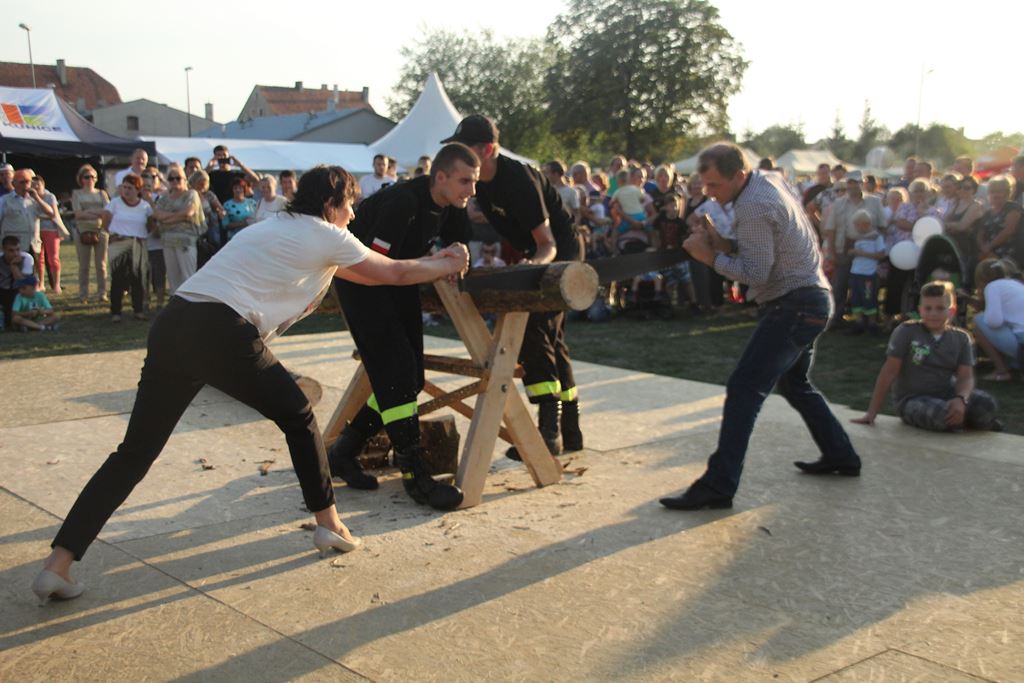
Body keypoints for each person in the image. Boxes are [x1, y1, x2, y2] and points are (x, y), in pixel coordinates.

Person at [31, 164, 470, 606]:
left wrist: (434, 264)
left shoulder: (276, 224)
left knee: (134, 453)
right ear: (331, 203)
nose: (354, 215)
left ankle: (58, 565)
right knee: (299, 415)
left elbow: (367, 273)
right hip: (220, 327)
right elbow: (391, 273)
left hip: (174, 323)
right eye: (350, 205)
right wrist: (447, 262)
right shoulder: (324, 232)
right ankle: (330, 526)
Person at [661, 143, 861, 511]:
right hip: (809, 299)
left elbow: (756, 272)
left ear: (738, 175)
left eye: (715, 186)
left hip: (795, 305)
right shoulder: (765, 181)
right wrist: (724, 244)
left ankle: (719, 485)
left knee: (744, 388)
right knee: (795, 384)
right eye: (704, 186)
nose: (709, 194)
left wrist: (709, 256)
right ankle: (840, 454)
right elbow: (763, 249)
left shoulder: (753, 205)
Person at [330, 144, 477, 509]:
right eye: (465, 181)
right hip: (364, 286)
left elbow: (449, 249)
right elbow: (378, 264)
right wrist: (438, 262)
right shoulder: (403, 202)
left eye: (473, 182)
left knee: (409, 380)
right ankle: (417, 478)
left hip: (398, 285)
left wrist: (454, 252)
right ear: (440, 177)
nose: (471, 191)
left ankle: (343, 452)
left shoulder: (448, 205)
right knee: (396, 372)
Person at [442, 114, 585, 457]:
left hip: (559, 253)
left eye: (465, 147)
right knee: (553, 337)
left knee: (535, 325)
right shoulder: (480, 183)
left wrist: (532, 268)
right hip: (535, 253)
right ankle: (571, 429)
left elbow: (547, 242)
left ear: (487, 149)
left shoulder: (518, 179)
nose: (458, 152)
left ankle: (547, 431)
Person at [852, 281, 999, 432]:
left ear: (952, 311)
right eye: (928, 308)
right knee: (940, 415)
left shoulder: (961, 338)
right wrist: (871, 413)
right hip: (913, 399)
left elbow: (965, 377)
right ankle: (968, 422)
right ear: (920, 310)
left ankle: (964, 420)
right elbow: (889, 371)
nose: (933, 314)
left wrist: (961, 399)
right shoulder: (906, 332)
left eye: (940, 308)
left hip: (948, 393)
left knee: (986, 404)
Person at [102, 174, 153, 322]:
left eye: (130, 188)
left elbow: (150, 224)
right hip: (118, 243)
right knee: (118, 277)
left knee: (138, 277)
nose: (126, 191)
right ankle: (116, 311)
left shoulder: (145, 206)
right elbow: (105, 218)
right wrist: (110, 233)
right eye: (124, 187)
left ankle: (138, 310)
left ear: (138, 189)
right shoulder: (115, 203)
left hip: (138, 243)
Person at [152, 163, 205, 293]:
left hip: (186, 241)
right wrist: (178, 216)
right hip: (167, 241)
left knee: (188, 275)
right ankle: (175, 303)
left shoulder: (191, 194)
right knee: (172, 276)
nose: (174, 181)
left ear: (184, 180)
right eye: (171, 178)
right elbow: (157, 214)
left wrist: (166, 218)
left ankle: (189, 303)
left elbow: (188, 213)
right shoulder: (164, 197)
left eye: (178, 178)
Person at [971, 259, 1024, 382]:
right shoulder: (1016, 284)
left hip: (1021, 343)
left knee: (978, 320)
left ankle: (1002, 371)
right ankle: (1013, 364)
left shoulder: (992, 286)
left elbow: (994, 321)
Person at [0, 169, 56, 272]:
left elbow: (51, 213)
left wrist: (38, 198)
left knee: (30, 276)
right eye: (22, 182)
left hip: (32, 244)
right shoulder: (5, 200)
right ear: (14, 183)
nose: (26, 185)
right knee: (11, 274)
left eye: (28, 182)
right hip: (14, 246)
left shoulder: (34, 200)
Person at [71, 164, 110, 303]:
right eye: (87, 177)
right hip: (82, 232)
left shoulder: (102, 194)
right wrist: (97, 213)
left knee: (101, 265)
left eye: (93, 177)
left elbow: (107, 212)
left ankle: (102, 293)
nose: (90, 179)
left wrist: (88, 212)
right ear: (81, 179)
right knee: (84, 266)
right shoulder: (76, 194)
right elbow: (78, 214)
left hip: (101, 231)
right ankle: (83, 294)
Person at [846, 209, 886, 335]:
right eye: (856, 225)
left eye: (860, 224)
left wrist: (862, 253)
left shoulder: (876, 237)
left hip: (868, 274)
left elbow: (881, 254)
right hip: (855, 272)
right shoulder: (856, 237)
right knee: (856, 298)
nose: (858, 227)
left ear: (867, 223)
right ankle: (859, 323)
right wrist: (851, 253)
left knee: (869, 298)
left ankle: (872, 324)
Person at [30, 174, 69, 294]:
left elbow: (53, 214)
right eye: (34, 186)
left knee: (53, 259)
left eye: (38, 185)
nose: (36, 188)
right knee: (39, 259)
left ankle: (56, 284)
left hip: (51, 230)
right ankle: (41, 284)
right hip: (36, 231)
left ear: (43, 185)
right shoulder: (28, 197)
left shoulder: (49, 196)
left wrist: (38, 200)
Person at [976, 175, 1022, 266]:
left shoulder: (1013, 208)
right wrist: (984, 248)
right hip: (988, 254)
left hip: (1010, 255)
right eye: (992, 191)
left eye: (999, 191)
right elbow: (980, 232)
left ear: (1008, 192)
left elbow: (1009, 230)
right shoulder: (987, 213)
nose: (995, 195)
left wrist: (989, 247)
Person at [1, 235, 34, 328]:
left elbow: (25, 284)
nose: (15, 254)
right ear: (3, 250)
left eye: (17, 249)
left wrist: (14, 267)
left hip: (19, 292)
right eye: (11, 250)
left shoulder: (26, 258)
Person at [221, 178, 257, 242]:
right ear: (232, 190)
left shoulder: (252, 203)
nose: (238, 190)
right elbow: (225, 224)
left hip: (251, 237)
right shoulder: (227, 205)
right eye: (235, 188)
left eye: (240, 188)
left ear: (244, 189)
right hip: (234, 238)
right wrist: (243, 223)